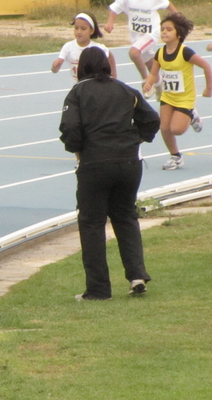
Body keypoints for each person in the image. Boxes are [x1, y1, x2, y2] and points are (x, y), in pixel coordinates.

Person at [59, 47, 160, 301]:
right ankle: (137, 275)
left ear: (81, 67)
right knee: (126, 217)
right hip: (129, 164)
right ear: (106, 65)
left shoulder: (78, 92)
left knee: (92, 223)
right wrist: (137, 139)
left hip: (95, 164)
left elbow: (70, 127)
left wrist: (77, 148)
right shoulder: (125, 89)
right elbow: (152, 119)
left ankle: (98, 289)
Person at [143, 13, 212, 170]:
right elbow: (153, 74)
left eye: (169, 29)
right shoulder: (160, 53)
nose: (164, 32)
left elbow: (206, 66)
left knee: (177, 129)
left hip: (184, 99)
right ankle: (176, 156)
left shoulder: (185, 52)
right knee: (165, 127)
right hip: (168, 96)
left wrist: (209, 88)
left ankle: (192, 114)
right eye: (162, 29)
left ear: (178, 33)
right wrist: (148, 83)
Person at [103, 0, 177, 84]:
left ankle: (146, 79)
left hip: (151, 33)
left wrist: (178, 20)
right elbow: (114, 9)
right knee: (148, 61)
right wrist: (110, 22)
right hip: (136, 36)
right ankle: (158, 83)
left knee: (134, 53)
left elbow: (169, 5)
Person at [52, 11, 117, 81]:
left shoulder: (98, 48)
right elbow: (55, 70)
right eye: (76, 28)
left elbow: (109, 55)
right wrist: (55, 67)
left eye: (83, 29)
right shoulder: (68, 47)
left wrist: (114, 77)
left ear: (91, 31)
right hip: (77, 88)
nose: (79, 32)